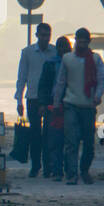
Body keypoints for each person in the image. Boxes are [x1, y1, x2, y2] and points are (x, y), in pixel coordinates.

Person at [52, 27, 104, 184]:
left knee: (89, 143)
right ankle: (72, 174)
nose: (82, 44)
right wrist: (56, 102)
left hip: (88, 106)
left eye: (84, 41)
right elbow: (60, 82)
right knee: (71, 141)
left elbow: (101, 80)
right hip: (70, 105)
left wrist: (97, 96)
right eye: (79, 41)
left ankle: (84, 170)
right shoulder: (67, 59)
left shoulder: (95, 60)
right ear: (76, 41)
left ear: (88, 42)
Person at [15, 22, 55, 177]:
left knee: (49, 134)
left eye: (47, 35)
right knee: (35, 134)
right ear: (37, 35)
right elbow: (22, 77)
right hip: (33, 98)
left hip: (51, 99)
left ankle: (48, 166)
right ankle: (36, 165)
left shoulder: (55, 52)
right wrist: (19, 100)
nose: (45, 38)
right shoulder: (28, 53)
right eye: (42, 35)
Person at [37, 36, 71, 181]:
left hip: (70, 105)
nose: (63, 50)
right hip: (52, 106)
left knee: (70, 140)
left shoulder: (73, 64)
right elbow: (43, 86)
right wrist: (43, 104)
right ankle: (52, 169)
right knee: (52, 139)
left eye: (65, 47)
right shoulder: (49, 64)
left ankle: (69, 169)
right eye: (60, 47)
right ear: (56, 49)